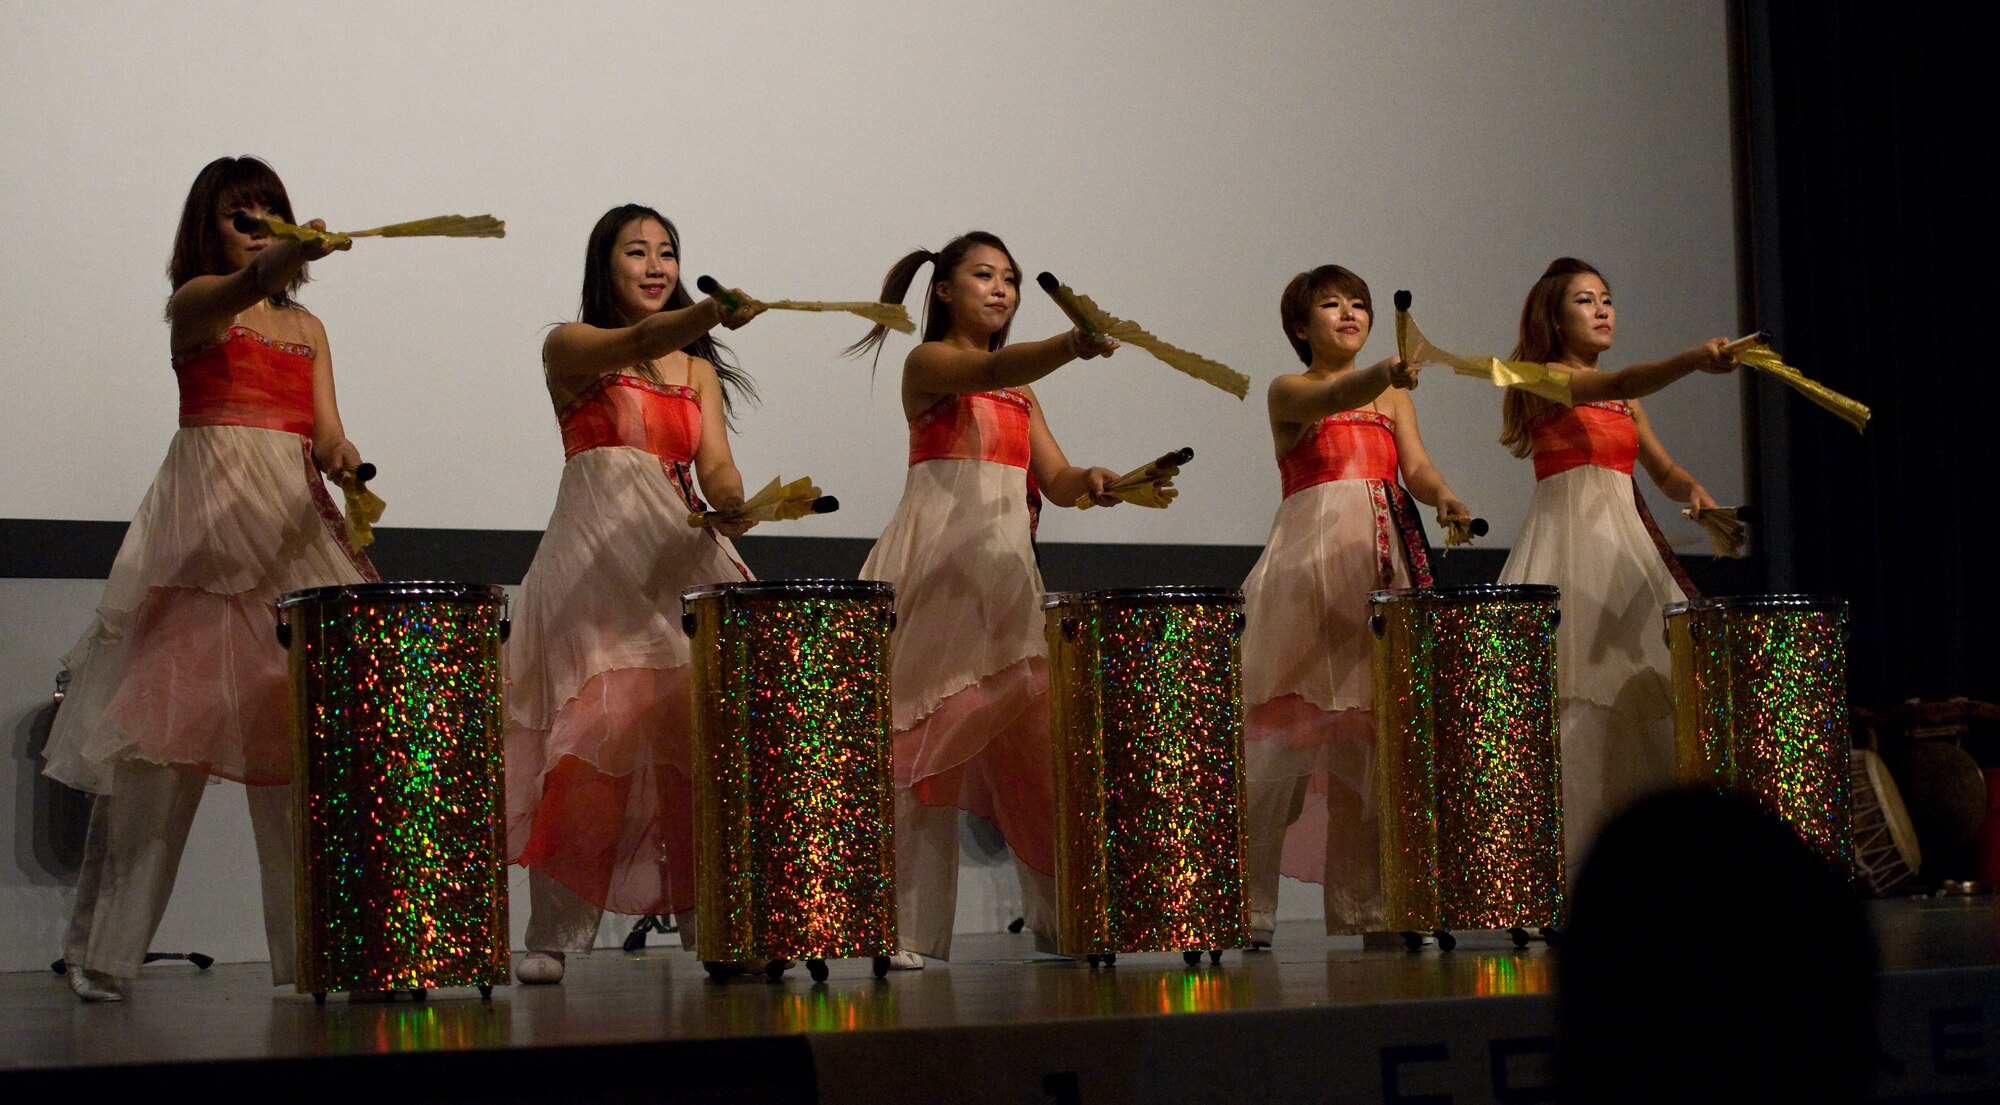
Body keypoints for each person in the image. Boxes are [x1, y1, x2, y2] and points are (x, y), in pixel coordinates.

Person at [44, 156, 376, 1002]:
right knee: (157, 759)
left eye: (271, 209)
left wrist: (344, 462)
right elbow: (229, 296)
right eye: (240, 213)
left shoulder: (308, 328)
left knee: (296, 760)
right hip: (204, 540)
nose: (258, 222)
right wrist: (273, 261)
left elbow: (326, 428)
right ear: (207, 226)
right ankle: (103, 953)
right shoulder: (194, 303)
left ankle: (309, 959)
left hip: (289, 538)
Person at [505, 204, 762, 984]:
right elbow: (640, 342)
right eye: (637, 252)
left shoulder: (699, 370)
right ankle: (552, 930)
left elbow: (716, 465)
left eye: (667, 252)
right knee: (594, 729)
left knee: (696, 735)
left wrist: (733, 502)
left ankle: (713, 925)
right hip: (597, 557)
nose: (655, 265)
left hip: (674, 553)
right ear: (603, 265)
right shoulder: (573, 345)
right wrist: (707, 312)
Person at [846, 231, 1118, 967]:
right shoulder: (929, 361)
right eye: (984, 275)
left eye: (1010, 279)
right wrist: (1073, 343)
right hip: (939, 566)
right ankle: (904, 931)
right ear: (943, 291)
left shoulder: (1021, 388)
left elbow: (1054, 479)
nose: (1001, 289)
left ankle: (1063, 918)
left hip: (1003, 577)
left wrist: (1097, 481)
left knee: (1033, 750)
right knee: (919, 742)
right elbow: (995, 365)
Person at [1239, 265, 1471, 943]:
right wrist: (1384, 375)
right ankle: (1245, 909)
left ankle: (1367, 907)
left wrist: (1443, 493)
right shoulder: (1292, 390)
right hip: (1309, 573)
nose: (1349, 313)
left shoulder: (1392, 397)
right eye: (1331, 304)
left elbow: (1416, 467)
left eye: (1359, 304)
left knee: (1375, 740)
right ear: (1299, 326)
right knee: (1284, 737)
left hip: (1381, 562)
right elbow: (1341, 390)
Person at [1495, 257, 1736, 873]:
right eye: (1584, 300)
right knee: (1574, 705)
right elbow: (1613, 381)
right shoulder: (1540, 376)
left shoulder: (1627, 398)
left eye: (1607, 299)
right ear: (1554, 315)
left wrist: (1698, 496)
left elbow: (1662, 471)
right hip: (1570, 544)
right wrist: (1690, 361)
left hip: (1626, 546)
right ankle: (1561, 873)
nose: (1602, 310)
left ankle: (1644, 869)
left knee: (1642, 702)